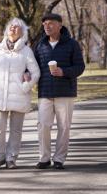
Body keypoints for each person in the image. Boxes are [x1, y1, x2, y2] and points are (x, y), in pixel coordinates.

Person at [0, 17, 40, 169]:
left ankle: (11, 159)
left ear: (23, 33)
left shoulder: (26, 51)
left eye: (17, 27)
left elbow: (36, 73)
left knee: (16, 130)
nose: (13, 28)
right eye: (11, 26)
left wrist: (26, 86)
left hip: (19, 96)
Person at [33, 13, 85, 170]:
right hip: (45, 92)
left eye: (50, 23)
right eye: (44, 24)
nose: (47, 26)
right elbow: (34, 67)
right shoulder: (40, 45)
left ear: (60, 25)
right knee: (43, 125)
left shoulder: (71, 44)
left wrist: (64, 72)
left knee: (64, 127)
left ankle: (59, 159)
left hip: (65, 92)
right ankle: (44, 158)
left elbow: (80, 67)